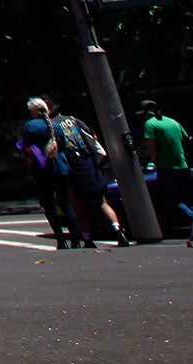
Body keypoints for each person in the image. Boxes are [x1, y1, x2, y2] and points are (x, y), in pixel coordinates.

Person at [50, 107, 126, 247]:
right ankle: (119, 232)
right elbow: (94, 137)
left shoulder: (51, 125)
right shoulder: (73, 120)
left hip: (71, 165)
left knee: (78, 206)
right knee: (102, 202)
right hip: (87, 162)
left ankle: (87, 239)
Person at [18, 96, 82, 249]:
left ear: (34, 111)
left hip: (42, 169)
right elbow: (64, 146)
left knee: (48, 204)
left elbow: (26, 146)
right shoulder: (55, 126)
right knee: (65, 203)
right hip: (60, 166)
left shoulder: (30, 126)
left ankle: (61, 240)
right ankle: (76, 239)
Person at [140, 99, 193, 244]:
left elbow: (152, 147)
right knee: (188, 197)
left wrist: (155, 162)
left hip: (166, 167)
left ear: (146, 113)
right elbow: (187, 139)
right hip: (183, 165)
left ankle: (192, 218)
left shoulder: (150, 124)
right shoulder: (174, 122)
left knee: (169, 197)